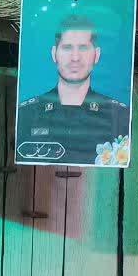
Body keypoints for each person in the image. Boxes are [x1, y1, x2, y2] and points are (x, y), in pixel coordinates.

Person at [16, 14, 128, 164]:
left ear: (96, 55)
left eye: (83, 48)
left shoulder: (118, 116)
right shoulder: (26, 114)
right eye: (67, 47)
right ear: (54, 54)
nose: (75, 57)